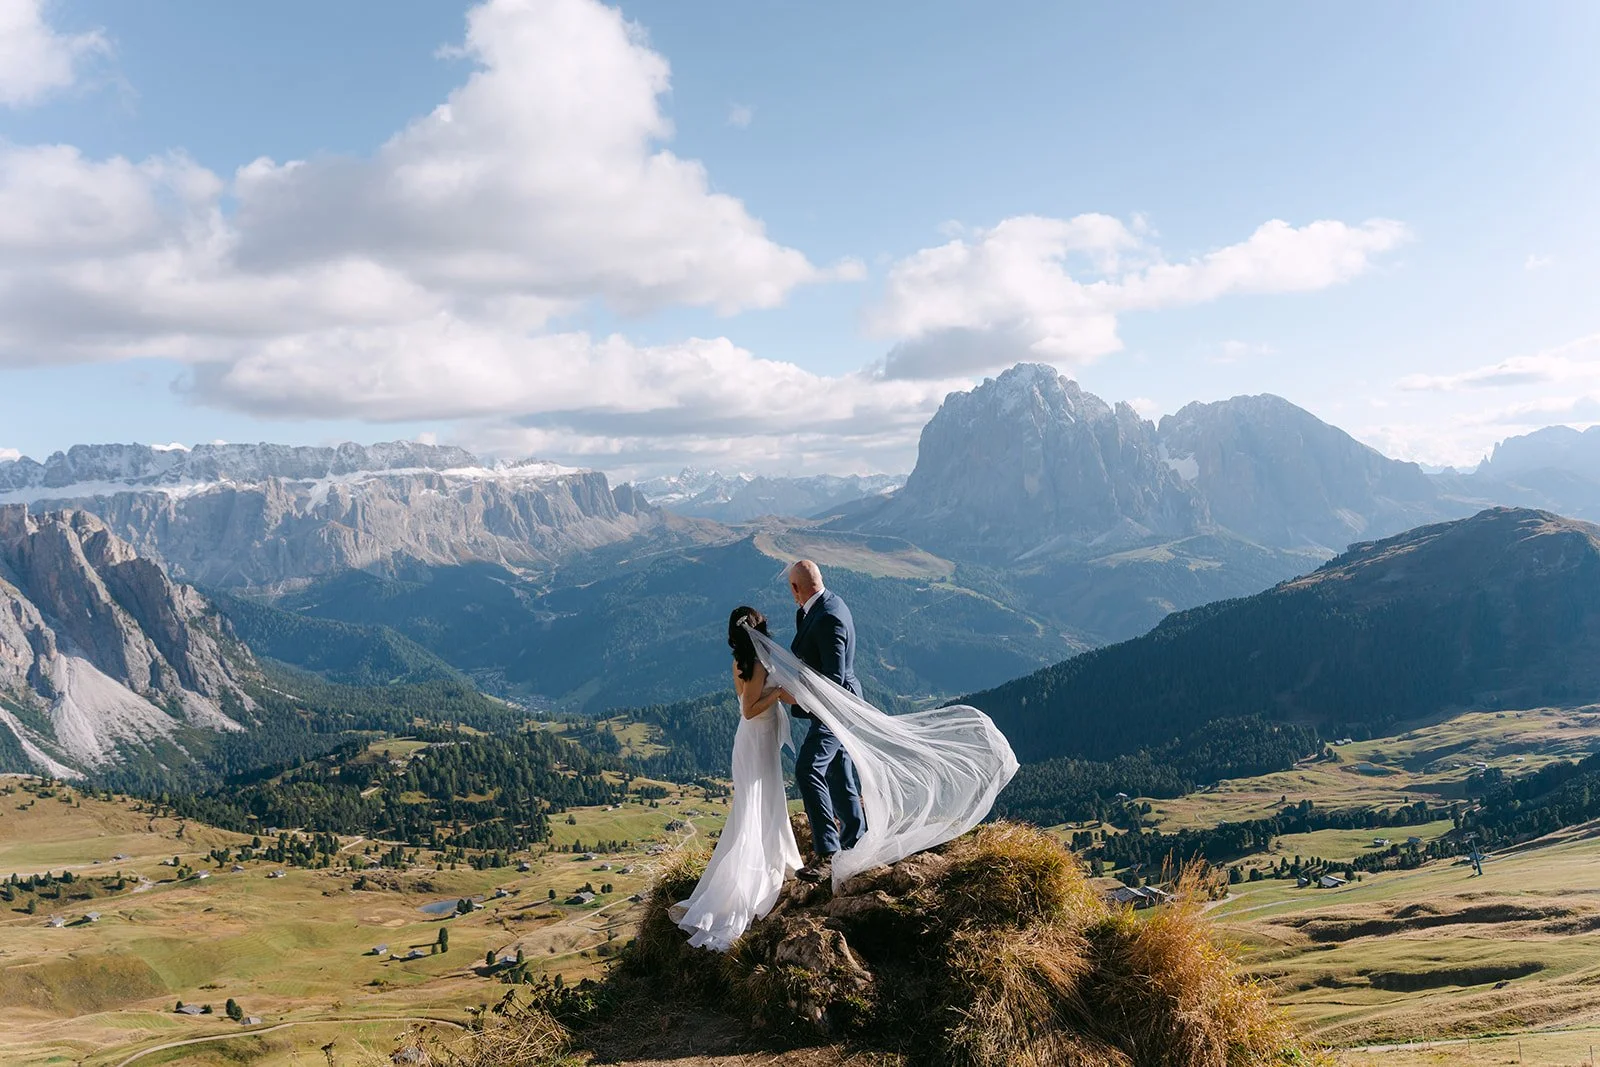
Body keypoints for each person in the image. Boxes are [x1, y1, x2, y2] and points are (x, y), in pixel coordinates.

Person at [672, 607, 802, 951]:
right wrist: (778, 694)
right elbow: (749, 708)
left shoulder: (744, 659)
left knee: (764, 798)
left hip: (754, 739)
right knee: (757, 802)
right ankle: (755, 870)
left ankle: (776, 854)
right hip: (756, 739)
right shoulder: (757, 664)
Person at [786, 560, 865, 883]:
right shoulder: (819, 606)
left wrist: (795, 695)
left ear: (796, 588)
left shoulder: (829, 616)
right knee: (838, 769)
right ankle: (857, 839)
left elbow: (832, 678)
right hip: (832, 707)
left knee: (809, 767)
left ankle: (828, 853)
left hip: (836, 708)